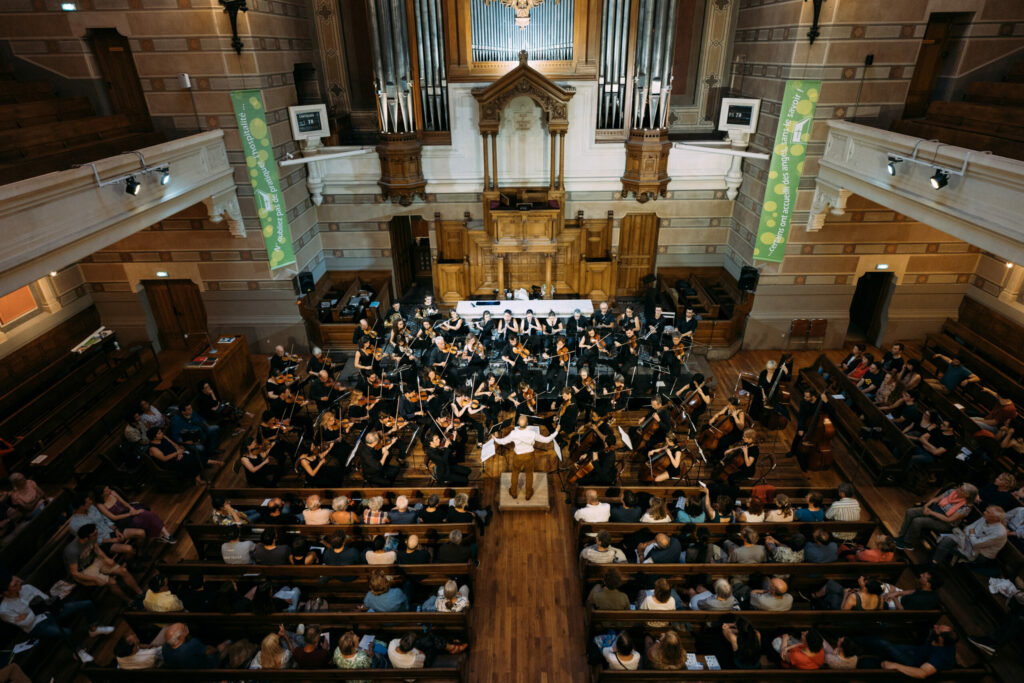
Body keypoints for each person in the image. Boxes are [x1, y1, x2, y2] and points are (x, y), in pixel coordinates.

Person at [0, 572, 112, 664]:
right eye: (15, 585)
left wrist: (29, 612)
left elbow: (45, 599)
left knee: (87, 604)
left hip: (49, 611)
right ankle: (78, 652)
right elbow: (26, 624)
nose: (20, 583)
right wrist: (35, 609)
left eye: (17, 581)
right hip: (37, 625)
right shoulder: (4, 610)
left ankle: (94, 628)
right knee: (66, 632)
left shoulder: (27, 587)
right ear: (5, 592)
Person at [64, 524, 143, 602]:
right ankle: (129, 601)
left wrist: (106, 558)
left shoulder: (92, 537)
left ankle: (141, 593)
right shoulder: (72, 551)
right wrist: (95, 579)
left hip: (94, 560)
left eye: (96, 532)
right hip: (83, 570)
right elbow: (74, 573)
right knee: (112, 582)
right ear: (85, 538)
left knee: (123, 571)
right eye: (95, 534)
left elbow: (97, 549)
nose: (97, 535)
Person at [893, 483, 978, 550]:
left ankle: (908, 543)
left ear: (967, 495)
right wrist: (926, 506)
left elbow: (948, 520)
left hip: (944, 523)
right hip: (935, 509)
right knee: (910, 512)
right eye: (960, 487)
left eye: (961, 490)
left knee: (918, 521)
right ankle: (902, 536)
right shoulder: (952, 491)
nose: (958, 489)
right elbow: (936, 499)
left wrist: (931, 513)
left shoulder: (966, 507)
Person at [493, 413, 558, 500]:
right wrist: (556, 431)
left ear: (518, 423)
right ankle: (528, 494)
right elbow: (547, 440)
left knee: (515, 473)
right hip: (529, 455)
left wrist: (495, 438)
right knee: (529, 474)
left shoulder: (513, 433)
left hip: (518, 456)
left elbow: (503, 442)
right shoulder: (532, 433)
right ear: (527, 424)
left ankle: (513, 492)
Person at [862, 623, 959, 678]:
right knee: (887, 648)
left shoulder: (941, 656)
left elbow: (922, 673)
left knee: (884, 644)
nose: (935, 626)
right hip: (915, 651)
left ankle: (854, 644)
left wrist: (896, 666)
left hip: (913, 663)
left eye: (937, 628)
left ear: (941, 639)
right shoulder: (941, 639)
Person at [69, 491, 142, 558]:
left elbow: (105, 519)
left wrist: (116, 530)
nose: (91, 502)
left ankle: (139, 555)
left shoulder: (91, 507)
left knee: (141, 533)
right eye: (88, 502)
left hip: (110, 531)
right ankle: (132, 564)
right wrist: (112, 540)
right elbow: (90, 541)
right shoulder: (75, 524)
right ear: (81, 506)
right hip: (102, 543)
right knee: (129, 549)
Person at [93, 484, 175, 542]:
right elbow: (113, 517)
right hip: (122, 519)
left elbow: (124, 502)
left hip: (128, 510)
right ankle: (158, 535)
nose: (109, 491)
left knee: (148, 514)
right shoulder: (100, 505)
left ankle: (167, 534)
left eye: (108, 489)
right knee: (139, 521)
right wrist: (131, 514)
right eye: (106, 491)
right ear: (102, 495)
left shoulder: (113, 493)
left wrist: (132, 509)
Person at [932, 505, 1007, 565]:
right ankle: (934, 562)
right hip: (967, 541)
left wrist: (971, 534)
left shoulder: (999, 533)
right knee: (947, 540)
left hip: (979, 554)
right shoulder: (985, 518)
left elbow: (976, 544)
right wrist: (972, 535)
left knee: (946, 545)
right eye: (986, 510)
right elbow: (968, 528)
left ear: (995, 518)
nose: (984, 512)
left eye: (988, 512)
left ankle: (934, 564)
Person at [161, 622, 228, 670]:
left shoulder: (165, 648)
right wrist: (218, 649)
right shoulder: (192, 644)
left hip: (181, 675)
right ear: (180, 638)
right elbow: (211, 651)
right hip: (204, 670)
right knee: (226, 646)